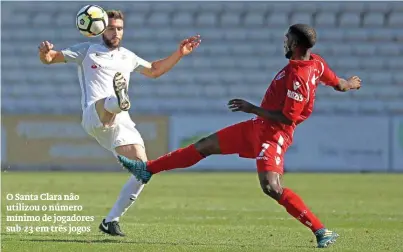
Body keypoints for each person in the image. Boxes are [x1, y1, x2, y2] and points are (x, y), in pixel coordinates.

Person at [117, 24, 361, 248]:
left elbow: (289, 118)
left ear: (296, 44)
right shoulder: (316, 63)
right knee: (205, 145)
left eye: (287, 39)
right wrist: (350, 83)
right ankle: (148, 170)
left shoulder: (298, 77)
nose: (284, 43)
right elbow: (337, 83)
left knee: (271, 187)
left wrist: (252, 107)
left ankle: (321, 231)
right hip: (257, 127)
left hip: (274, 134)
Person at [38, 9, 201, 236]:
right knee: (109, 101)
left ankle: (110, 220)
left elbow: (154, 71)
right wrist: (44, 53)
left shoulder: (128, 56)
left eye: (120, 28)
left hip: (121, 123)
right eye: (112, 28)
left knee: (144, 170)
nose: (116, 32)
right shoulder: (87, 51)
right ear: (101, 29)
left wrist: (179, 53)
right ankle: (118, 99)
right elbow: (50, 59)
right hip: (93, 113)